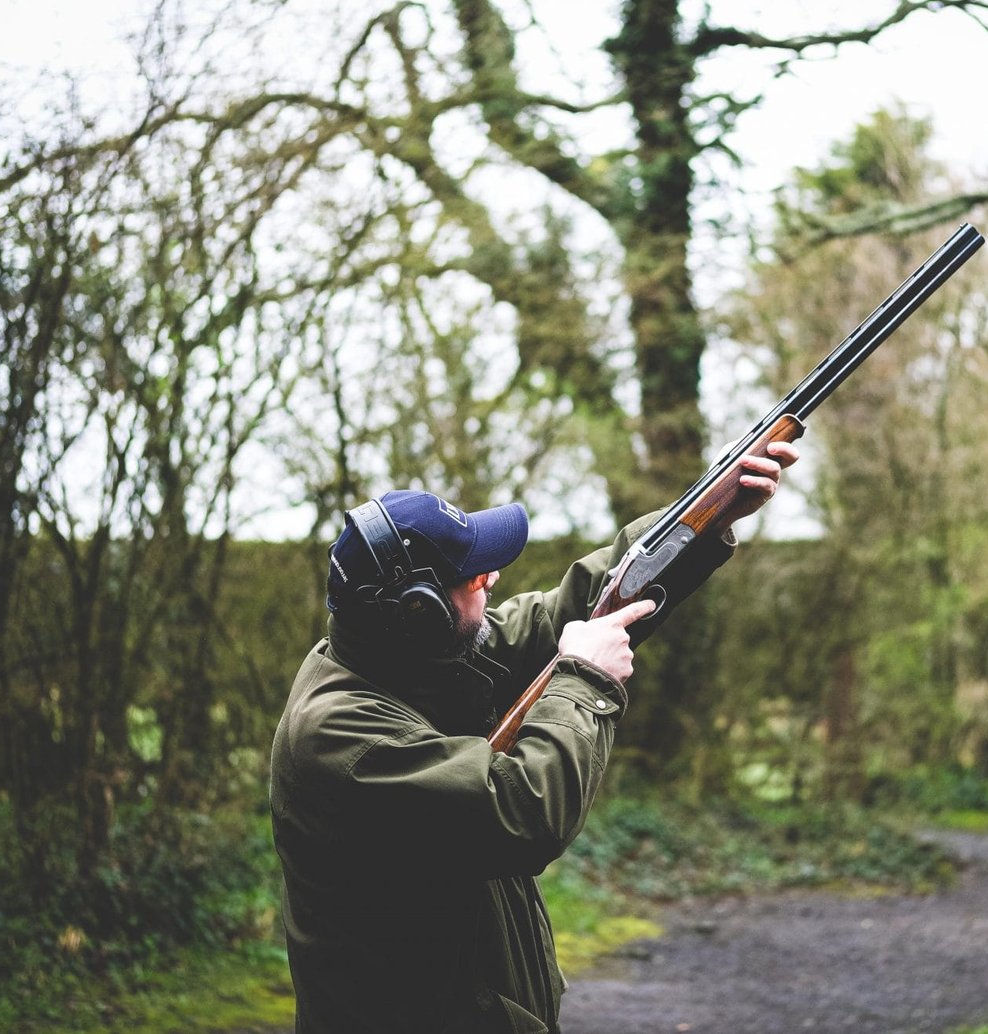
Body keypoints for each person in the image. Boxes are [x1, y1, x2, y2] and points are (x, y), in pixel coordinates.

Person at [269, 442, 798, 1033]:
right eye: (473, 577)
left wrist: (701, 515)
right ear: (421, 612)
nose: (492, 578)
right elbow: (522, 811)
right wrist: (586, 679)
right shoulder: (341, 737)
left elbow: (556, 617)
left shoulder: (402, 655)